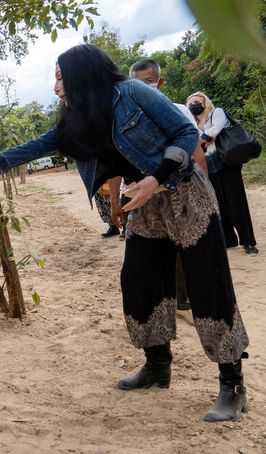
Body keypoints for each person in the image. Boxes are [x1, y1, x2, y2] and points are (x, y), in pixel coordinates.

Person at [0, 44, 249, 422]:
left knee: (207, 285)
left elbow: (186, 133)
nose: (56, 87)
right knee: (138, 282)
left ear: (82, 74)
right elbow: (39, 146)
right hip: (144, 202)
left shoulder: (133, 93)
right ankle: (157, 365)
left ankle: (232, 384)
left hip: (184, 193)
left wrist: (158, 177)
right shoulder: (78, 117)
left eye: (59, 76)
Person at [123, 59, 208, 326]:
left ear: (159, 83)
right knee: (149, 258)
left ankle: (185, 302)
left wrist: (206, 188)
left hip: (180, 191)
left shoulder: (177, 110)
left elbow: (195, 151)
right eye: (136, 84)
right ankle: (161, 309)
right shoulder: (130, 117)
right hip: (146, 199)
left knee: (186, 249)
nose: (143, 88)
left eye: (148, 82)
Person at [187, 91, 259, 256]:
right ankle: (229, 239)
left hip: (226, 164)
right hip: (207, 168)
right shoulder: (191, 124)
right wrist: (205, 139)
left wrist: (203, 139)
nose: (193, 106)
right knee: (217, 205)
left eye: (196, 102)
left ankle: (248, 242)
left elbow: (215, 130)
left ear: (205, 102)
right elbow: (200, 140)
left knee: (236, 204)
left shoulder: (216, 113)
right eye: (190, 104)